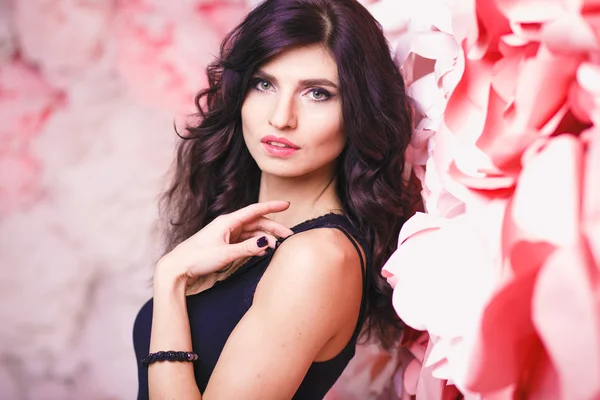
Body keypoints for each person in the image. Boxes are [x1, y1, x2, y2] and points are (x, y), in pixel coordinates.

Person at [132, 0, 416, 398]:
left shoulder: (318, 258)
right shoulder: (239, 227)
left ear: (358, 112)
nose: (281, 117)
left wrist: (170, 280)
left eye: (318, 93)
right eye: (264, 84)